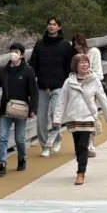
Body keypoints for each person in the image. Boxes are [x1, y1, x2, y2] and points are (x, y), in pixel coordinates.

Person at [54, 50, 107, 184]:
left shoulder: (94, 81)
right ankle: (80, 165)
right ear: (75, 65)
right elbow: (61, 101)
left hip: (88, 117)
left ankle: (81, 172)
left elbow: (103, 99)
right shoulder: (69, 82)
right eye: (81, 62)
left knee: (83, 145)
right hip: (74, 117)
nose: (84, 65)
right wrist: (57, 119)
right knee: (77, 145)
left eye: (86, 62)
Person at [29, 17, 72, 156]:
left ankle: (56, 138)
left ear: (59, 27)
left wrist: (66, 85)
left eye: (54, 24)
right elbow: (33, 65)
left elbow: (69, 67)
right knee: (41, 119)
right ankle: (45, 146)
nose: (51, 26)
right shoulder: (39, 44)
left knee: (55, 115)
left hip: (59, 86)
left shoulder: (65, 45)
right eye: (50, 24)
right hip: (42, 87)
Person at [0, 43, 37, 176]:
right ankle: (1, 164)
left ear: (22, 55)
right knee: (3, 137)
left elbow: (33, 92)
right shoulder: (2, 70)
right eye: (12, 51)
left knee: (20, 138)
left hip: (21, 109)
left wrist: (33, 108)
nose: (13, 54)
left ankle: (22, 157)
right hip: (6, 108)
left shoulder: (28, 71)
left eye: (16, 51)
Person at [74, 34, 107, 155]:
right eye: (75, 44)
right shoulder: (76, 57)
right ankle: (81, 144)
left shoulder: (94, 52)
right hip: (79, 87)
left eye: (79, 44)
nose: (77, 47)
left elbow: (98, 72)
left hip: (92, 85)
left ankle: (90, 143)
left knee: (92, 115)